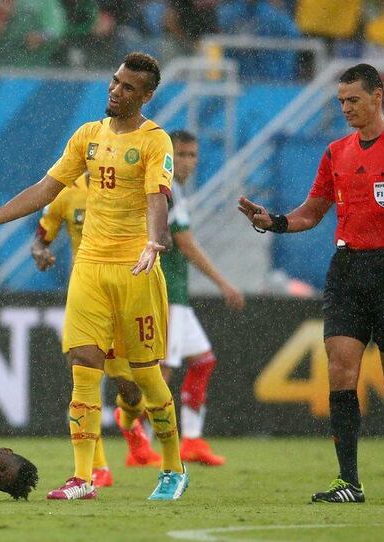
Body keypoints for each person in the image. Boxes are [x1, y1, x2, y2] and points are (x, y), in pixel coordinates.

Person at [0, 52, 188, 501]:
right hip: (89, 268)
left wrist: (156, 240)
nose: (115, 90)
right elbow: (45, 189)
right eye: (114, 81)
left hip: (136, 267)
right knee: (84, 369)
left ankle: (172, 468)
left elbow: (157, 197)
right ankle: (83, 477)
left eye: (128, 87)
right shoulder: (88, 136)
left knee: (146, 376)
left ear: (147, 95)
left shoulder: (157, 142)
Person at [238, 63, 384, 504]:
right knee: (340, 369)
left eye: (353, 100)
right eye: (341, 102)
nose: (346, 108)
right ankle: (349, 481)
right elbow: (310, 214)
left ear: (378, 97)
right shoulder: (335, 152)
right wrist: (271, 221)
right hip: (347, 270)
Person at [32, 173, 163, 488]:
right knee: (84, 375)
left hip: (126, 296)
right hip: (88, 298)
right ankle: (97, 468)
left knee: (130, 391)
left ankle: (128, 419)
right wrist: (39, 251)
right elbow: (42, 236)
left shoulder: (130, 189)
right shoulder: (67, 194)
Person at [161, 130, 244, 466]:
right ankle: (142, 442)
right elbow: (186, 244)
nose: (188, 162)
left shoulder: (175, 191)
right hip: (165, 291)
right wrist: (224, 283)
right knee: (162, 372)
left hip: (177, 292)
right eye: (181, 154)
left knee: (202, 361)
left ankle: (191, 440)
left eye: (192, 155)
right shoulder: (165, 191)